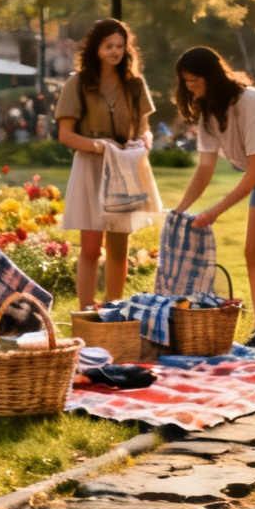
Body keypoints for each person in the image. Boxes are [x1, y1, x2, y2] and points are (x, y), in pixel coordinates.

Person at [171, 46, 255, 350]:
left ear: (212, 77)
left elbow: (254, 172)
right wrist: (180, 209)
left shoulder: (249, 103)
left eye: (195, 81)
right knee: (252, 252)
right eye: (186, 83)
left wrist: (215, 211)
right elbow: (205, 168)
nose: (190, 88)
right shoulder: (208, 112)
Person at [55, 18, 161, 310]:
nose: (115, 51)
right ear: (96, 48)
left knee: (119, 247)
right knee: (90, 247)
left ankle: (114, 308)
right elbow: (65, 134)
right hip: (91, 166)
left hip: (125, 168)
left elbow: (144, 129)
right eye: (108, 46)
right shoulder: (77, 84)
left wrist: (145, 142)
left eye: (120, 46)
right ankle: (87, 310)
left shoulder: (135, 84)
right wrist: (99, 146)